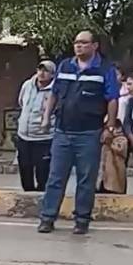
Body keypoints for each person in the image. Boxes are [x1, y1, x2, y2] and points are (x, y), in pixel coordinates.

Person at [38, 30, 120, 235]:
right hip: (62, 132)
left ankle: (82, 220)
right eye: (76, 42)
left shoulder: (104, 69)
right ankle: (47, 218)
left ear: (94, 46)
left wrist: (109, 127)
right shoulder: (65, 66)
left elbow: (112, 99)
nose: (79, 46)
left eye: (84, 42)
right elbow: (54, 94)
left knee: (86, 179)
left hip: (89, 134)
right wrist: (47, 118)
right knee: (55, 177)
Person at [15, 60, 56, 192]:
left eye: (46, 71)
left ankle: (41, 200)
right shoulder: (27, 85)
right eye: (40, 69)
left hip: (44, 138)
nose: (42, 73)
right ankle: (27, 198)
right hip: (24, 136)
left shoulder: (56, 90)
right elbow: (21, 102)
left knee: (43, 172)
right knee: (25, 170)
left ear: (52, 74)